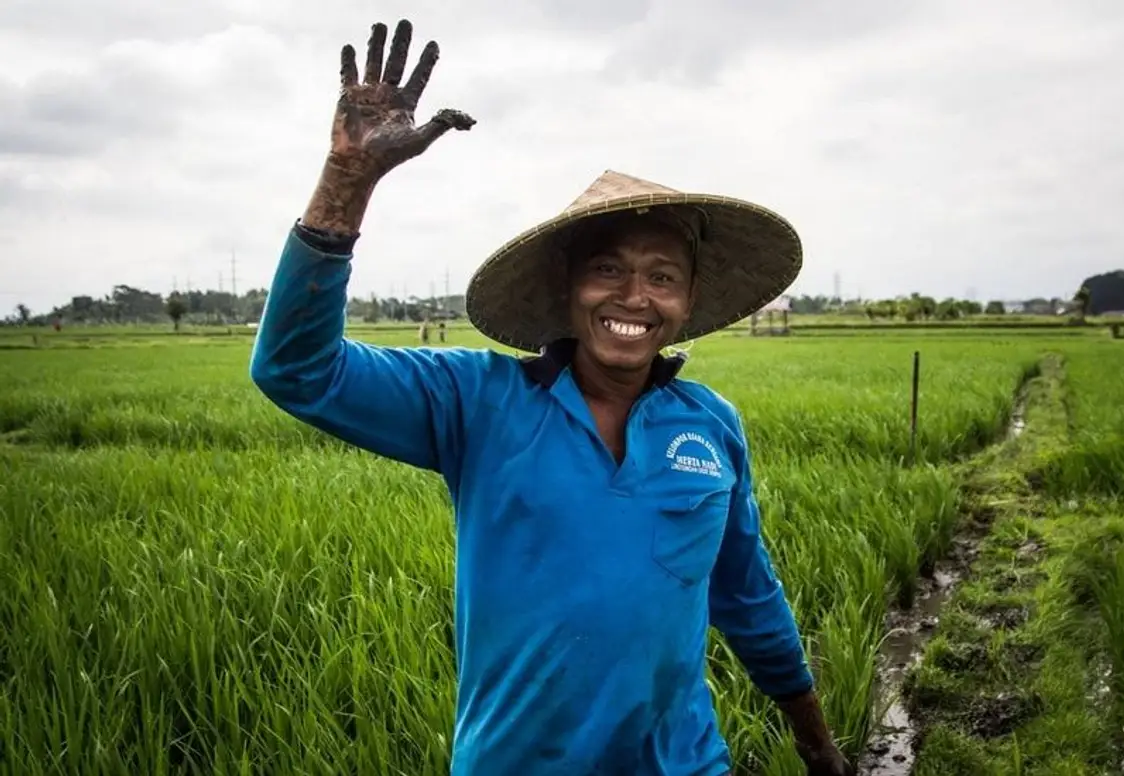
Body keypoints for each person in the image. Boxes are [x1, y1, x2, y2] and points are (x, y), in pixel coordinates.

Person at [250, 18, 853, 776]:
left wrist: (815, 740)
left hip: (685, 764)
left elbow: (748, 594)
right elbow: (298, 370)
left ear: (688, 298)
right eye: (608, 269)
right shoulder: (476, 402)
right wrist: (347, 181)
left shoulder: (710, 426)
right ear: (568, 287)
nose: (634, 297)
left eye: (662, 276)